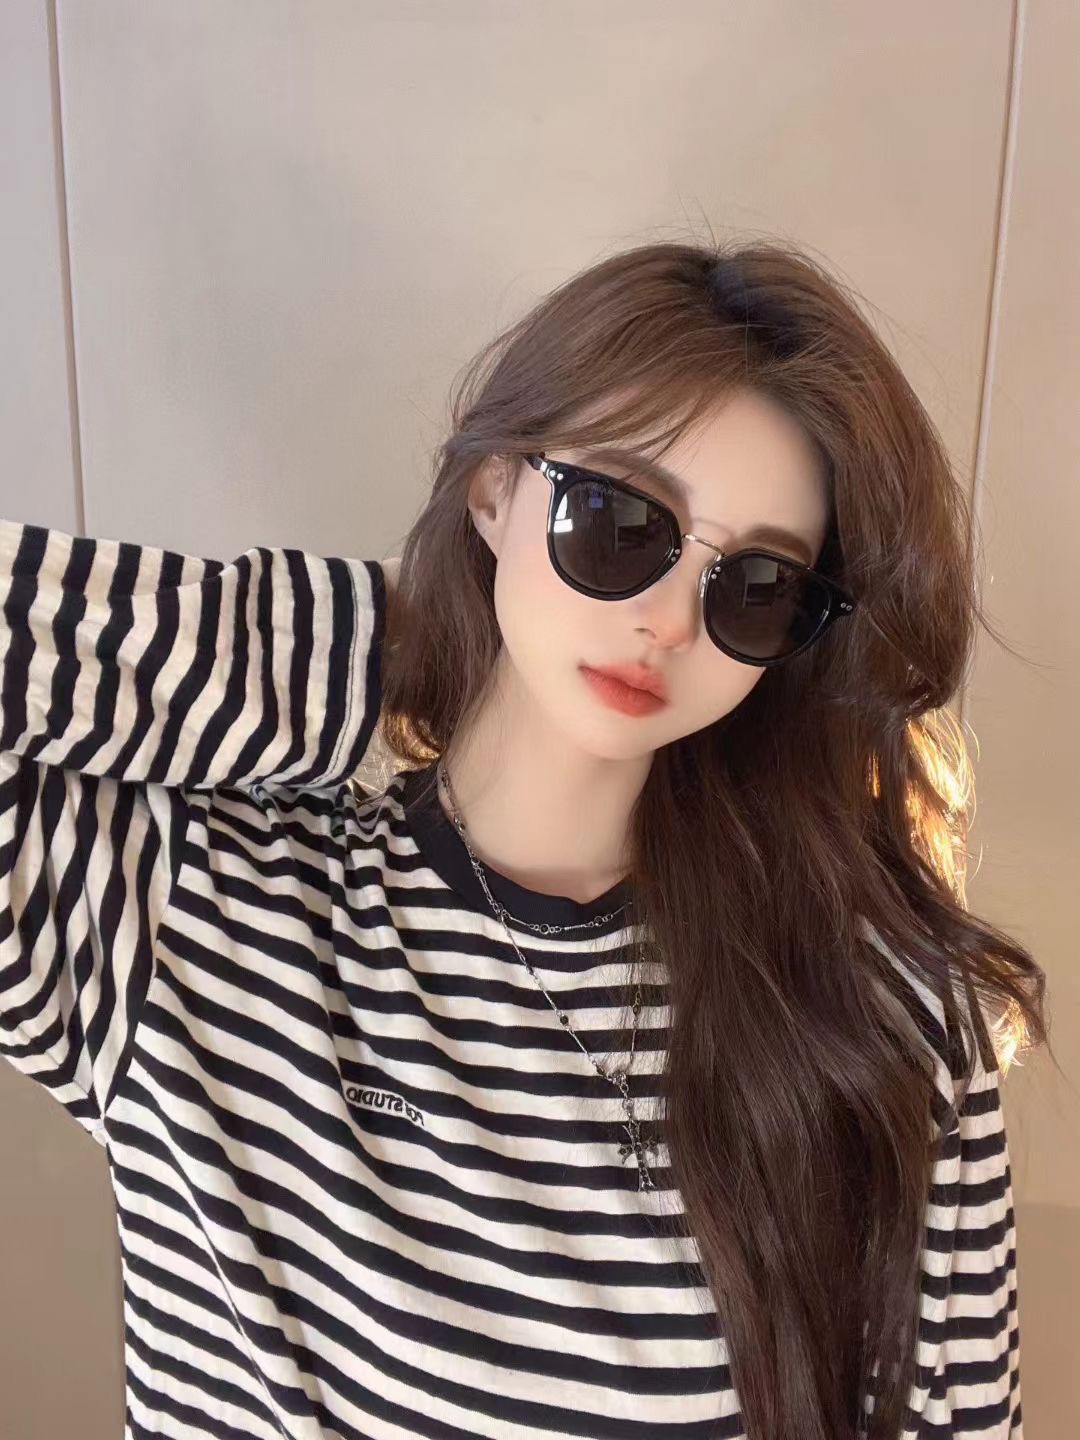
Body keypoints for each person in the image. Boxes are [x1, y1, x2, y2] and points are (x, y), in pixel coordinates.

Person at [0, 239, 1048, 1440]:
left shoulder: (880, 1012)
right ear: (493, 489)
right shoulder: (187, 909)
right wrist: (383, 641)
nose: (667, 620)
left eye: (754, 585)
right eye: (618, 521)